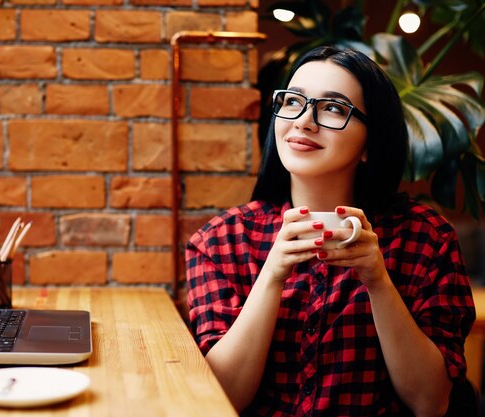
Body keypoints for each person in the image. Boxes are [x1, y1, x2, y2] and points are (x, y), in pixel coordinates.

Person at [185, 46, 475, 417]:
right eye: (293, 102)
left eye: (334, 108)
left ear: (370, 144)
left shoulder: (426, 239)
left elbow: (430, 403)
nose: (304, 121)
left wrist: (378, 282)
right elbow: (222, 396)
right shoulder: (222, 240)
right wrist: (272, 275)